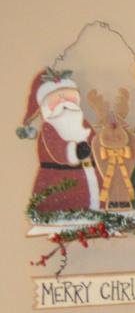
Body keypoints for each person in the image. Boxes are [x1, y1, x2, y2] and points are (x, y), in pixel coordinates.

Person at [20, 69, 102, 214]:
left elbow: (95, 142)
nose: (64, 103)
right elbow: (58, 151)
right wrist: (75, 152)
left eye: (69, 97)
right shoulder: (48, 127)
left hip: (89, 175)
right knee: (63, 202)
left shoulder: (83, 122)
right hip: (60, 180)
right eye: (56, 100)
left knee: (92, 202)